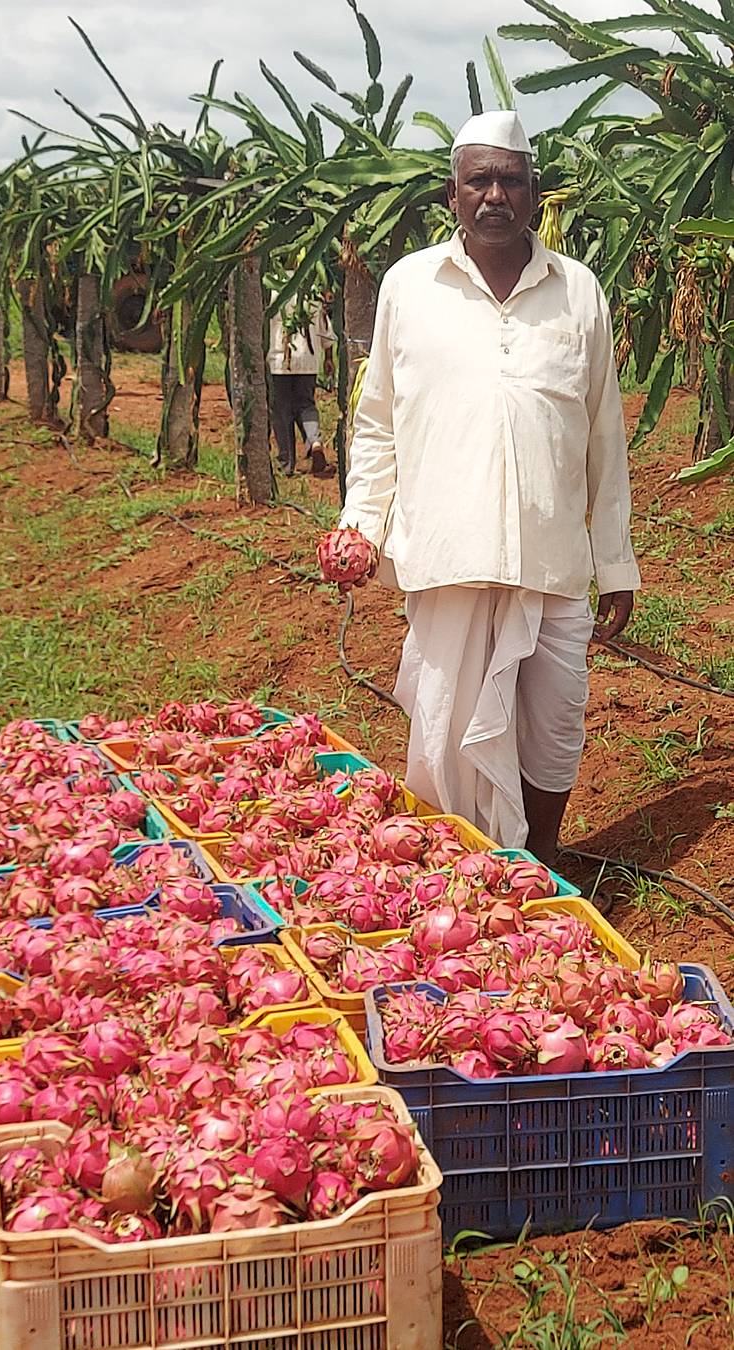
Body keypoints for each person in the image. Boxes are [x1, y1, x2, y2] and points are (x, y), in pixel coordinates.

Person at [338, 110, 640, 863]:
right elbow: (377, 422)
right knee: (446, 725)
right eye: (479, 181)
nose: (495, 195)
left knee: (556, 724)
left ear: (534, 193)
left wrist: (616, 563)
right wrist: (361, 524)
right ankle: (458, 871)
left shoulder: (577, 292)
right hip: (448, 553)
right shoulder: (411, 287)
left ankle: (540, 862)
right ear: (454, 194)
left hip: (553, 557)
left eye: (511, 180)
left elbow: (603, 435)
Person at [267, 294, 335, 476]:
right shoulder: (311, 293)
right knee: (306, 405)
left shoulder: (270, 293)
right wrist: (328, 358)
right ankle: (315, 442)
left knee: (281, 412)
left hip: (279, 360)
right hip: (308, 360)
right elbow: (325, 330)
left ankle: (286, 463)